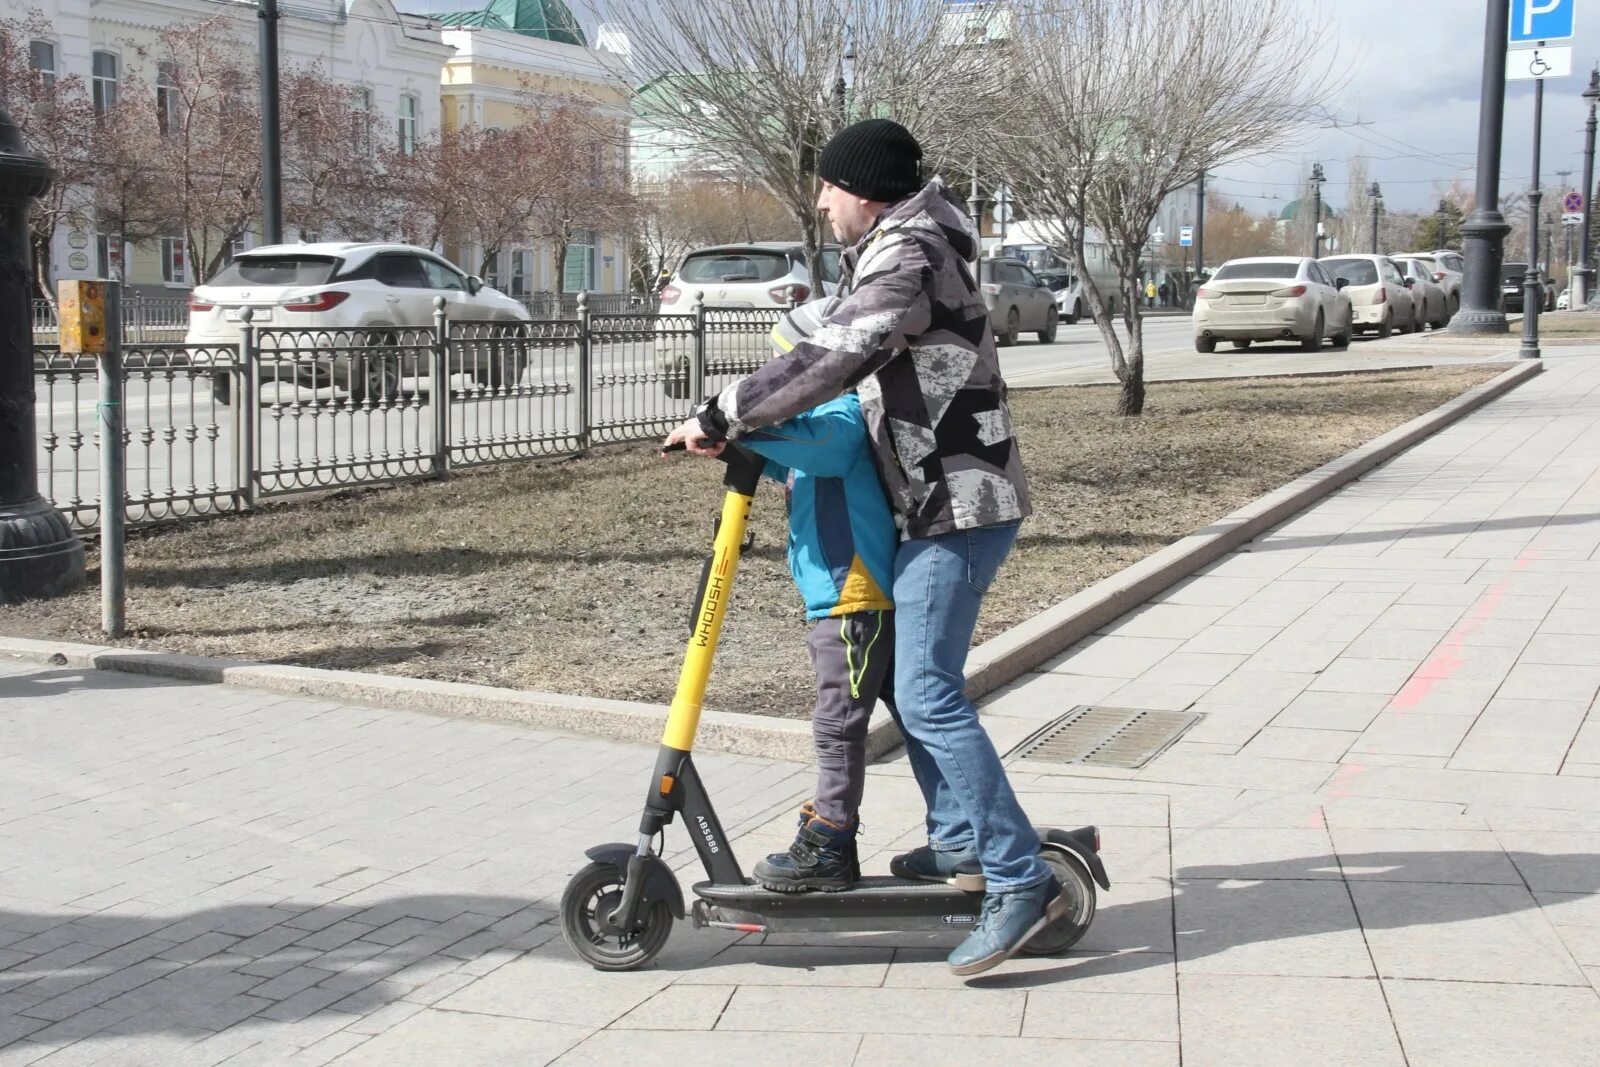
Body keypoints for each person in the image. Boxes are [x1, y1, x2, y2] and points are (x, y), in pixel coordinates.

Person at [663, 118, 1062, 976]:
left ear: (866, 190)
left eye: (829, 187)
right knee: (911, 684)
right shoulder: (905, 240)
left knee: (924, 693)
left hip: (959, 501)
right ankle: (960, 839)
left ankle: (1017, 875)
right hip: (937, 499)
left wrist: (723, 412)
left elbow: (838, 352)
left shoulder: (908, 251)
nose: (820, 201)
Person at [734, 369, 896, 892]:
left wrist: (738, 423)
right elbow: (796, 462)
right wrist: (729, 444)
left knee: (837, 724)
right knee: (906, 722)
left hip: (852, 600)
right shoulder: (825, 423)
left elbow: (820, 451)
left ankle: (829, 837)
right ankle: (951, 831)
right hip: (843, 598)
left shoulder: (840, 417)